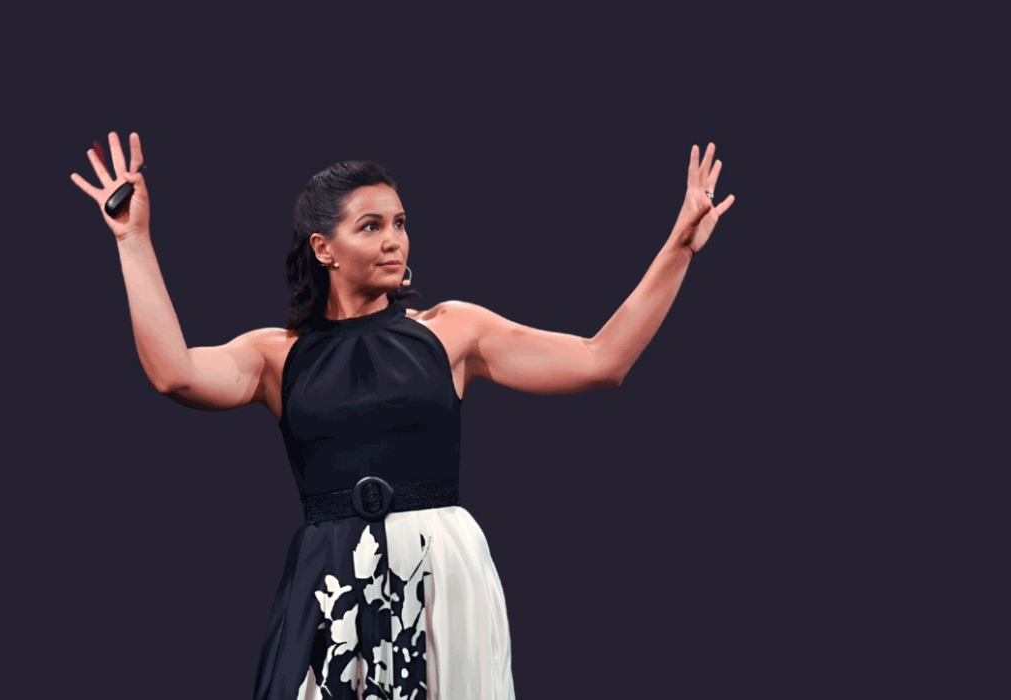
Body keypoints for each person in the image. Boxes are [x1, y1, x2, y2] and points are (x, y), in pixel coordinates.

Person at [71, 132, 735, 699]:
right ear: (323, 248)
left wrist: (679, 246)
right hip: (331, 579)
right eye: (371, 226)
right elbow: (175, 373)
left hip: (442, 574)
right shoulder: (276, 355)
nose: (395, 240)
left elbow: (600, 360)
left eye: (400, 222)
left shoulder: (452, 331)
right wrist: (134, 239)